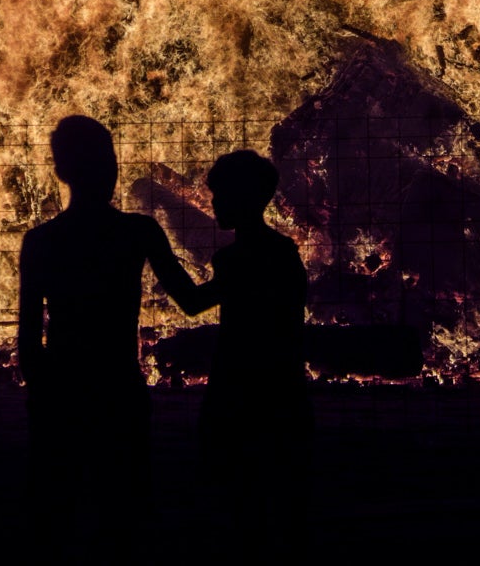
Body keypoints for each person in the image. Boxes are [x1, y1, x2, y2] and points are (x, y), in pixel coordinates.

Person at [18, 115, 204, 548]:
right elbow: (191, 302)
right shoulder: (137, 232)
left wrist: (41, 394)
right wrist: (246, 266)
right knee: (122, 509)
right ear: (111, 167)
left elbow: (29, 335)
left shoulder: (42, 241)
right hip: (119, 386)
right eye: (108, 159)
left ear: (61, 171)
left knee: (53, 510)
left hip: (61, 387)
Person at [171, 149, 311, 547]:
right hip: (283, 387)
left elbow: (194, 303)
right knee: (282, 500)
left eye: (220, 195)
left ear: (243, 198)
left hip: (241, 389)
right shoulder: (284, 253)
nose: (213, 203)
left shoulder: (239, 258)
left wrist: (160, 258)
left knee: (241, 498)